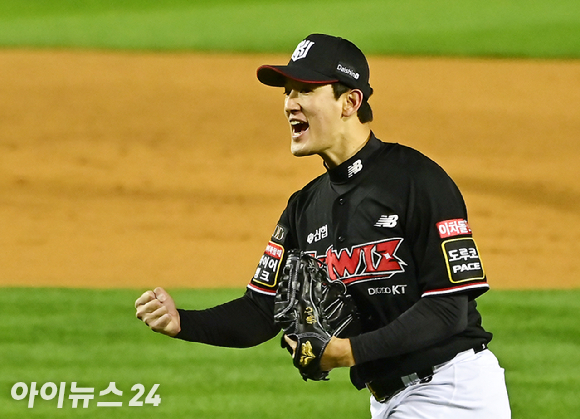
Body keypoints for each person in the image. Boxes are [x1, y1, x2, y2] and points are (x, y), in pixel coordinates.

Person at [135, 33, 511, 418]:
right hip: (389, 399)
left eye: (305, 90)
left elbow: (449, 308)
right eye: (287, 91)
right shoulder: (304, 207)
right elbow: (262, 311)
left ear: (349, 102)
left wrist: (349, 352)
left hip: (451, 391)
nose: (289, 104)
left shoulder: (417, 181)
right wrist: (183, 322)